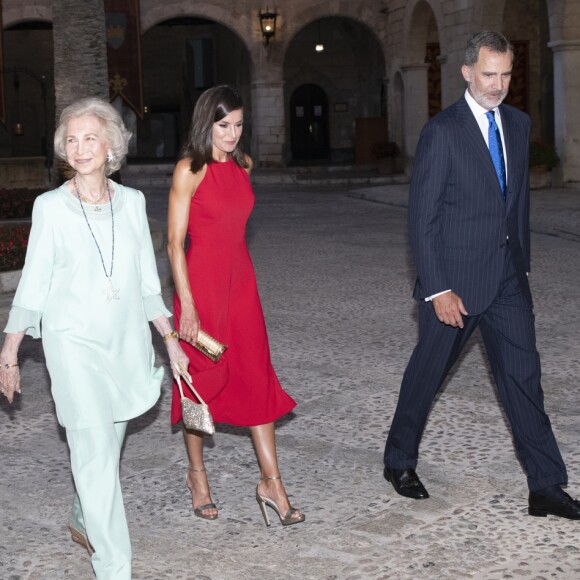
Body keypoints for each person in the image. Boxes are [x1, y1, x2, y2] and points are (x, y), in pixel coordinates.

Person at [383, 31, 580, 520]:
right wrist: (437, 288)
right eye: (489, 74)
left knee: (524, 380)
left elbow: (515, 205)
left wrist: (522, 264)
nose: (498, 84)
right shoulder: (442, 132)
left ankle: (547, 485)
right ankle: (399, 460)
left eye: (506, 74)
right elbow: (422, 218)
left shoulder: (517, 123)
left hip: (508, 280)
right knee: (427, 375)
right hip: (455, 285)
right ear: (467, 72)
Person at [0, 97, 189, 578]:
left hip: (124, 344)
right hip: (72, 345)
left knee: (105, 447)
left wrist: (169, 340)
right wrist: (10, 351)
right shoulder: (51, 208)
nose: (79, 148)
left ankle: (85, 514)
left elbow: (149, 285)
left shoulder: (133, 204)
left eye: (89, 138)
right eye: (71, 139)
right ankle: (113, 567)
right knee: (95, 456)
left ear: (111, 147)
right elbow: (33, 282)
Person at [167, 85, 305, 526]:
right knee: (199, 383)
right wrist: (187, 306)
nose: (232, 133)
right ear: (206, 122)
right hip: (201, 286)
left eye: (239, 125)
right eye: (223, 125)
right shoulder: (190, 168)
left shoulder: (243, 165)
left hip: (241, 283)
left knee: (255, 373)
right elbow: (173, 244)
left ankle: (272, 482)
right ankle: (197, 474)